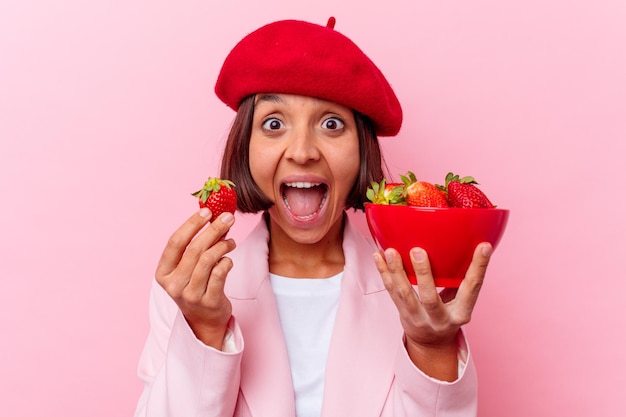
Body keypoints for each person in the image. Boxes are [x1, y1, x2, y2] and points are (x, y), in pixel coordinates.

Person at [134, 17, 493, 417]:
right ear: (245, 149)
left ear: (362, 150)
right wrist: (203, 331)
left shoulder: (417, 293)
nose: (302, 150)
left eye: (331, 124)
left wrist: (433, 348)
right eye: (274, 124)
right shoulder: (188, 288)